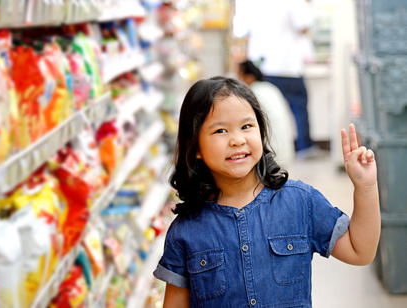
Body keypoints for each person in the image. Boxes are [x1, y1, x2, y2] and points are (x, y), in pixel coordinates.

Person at [153, 77, 380, 307]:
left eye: (246, 126)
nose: (237, 140)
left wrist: (366, 187)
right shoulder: (185, 231)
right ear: (196, 147)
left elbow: (360, 251)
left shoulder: (299, 202)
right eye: (220, 130)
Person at [237, 0, 319, 159]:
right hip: (287, 65)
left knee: (263, 110)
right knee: (298, 107)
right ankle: (305, 147)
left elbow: (242, 32)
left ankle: (264, 151)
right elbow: (304, 26)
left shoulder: (251, 4)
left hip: (261, 66)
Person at [237, 60, 295, 167]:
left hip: (268, 155)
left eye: (239, 75)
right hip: (285, 152)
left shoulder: (252, 94)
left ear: (249, 77)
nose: (238, 80)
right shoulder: (270, 88)